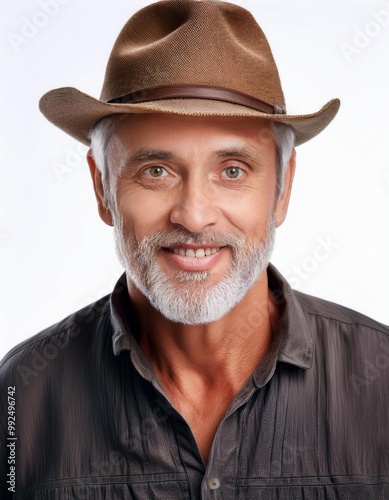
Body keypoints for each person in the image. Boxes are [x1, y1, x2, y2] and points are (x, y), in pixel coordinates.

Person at [1, 1, 388, 498]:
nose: (194, 215)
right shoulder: (21, 398)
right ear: (102, 189)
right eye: (155, 171)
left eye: (232, 170)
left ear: (282, 190)